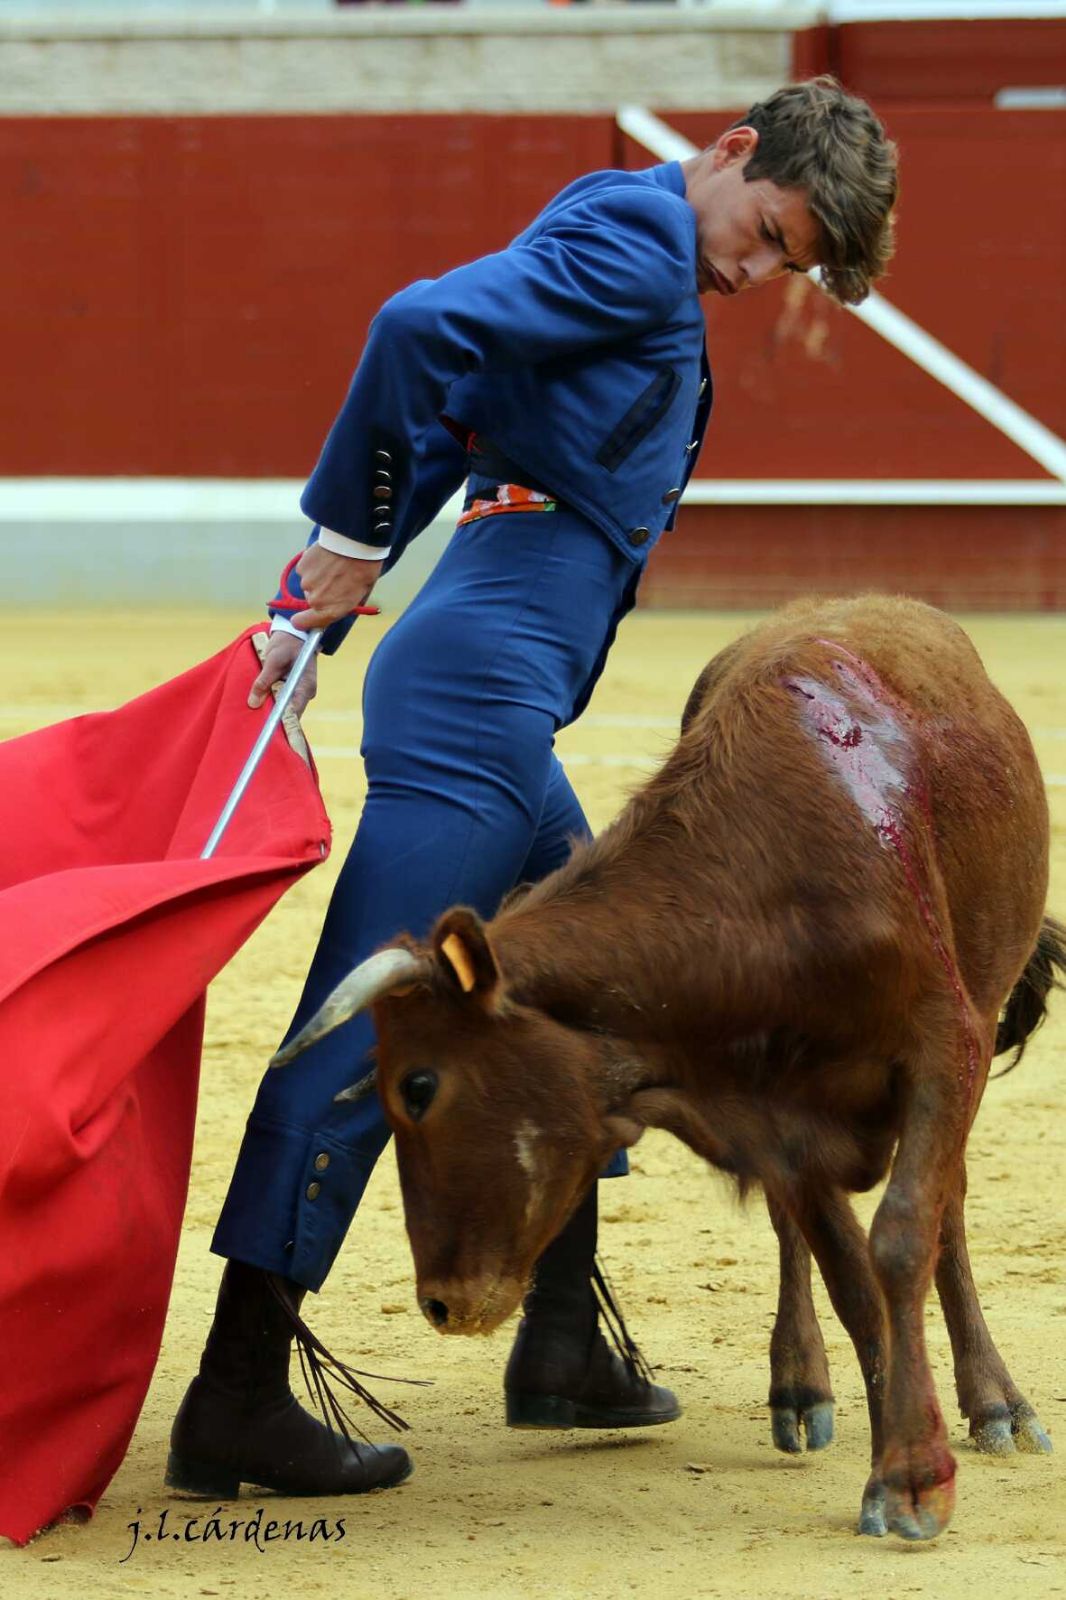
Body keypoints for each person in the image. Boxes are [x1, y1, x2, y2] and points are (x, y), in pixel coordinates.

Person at [167, 76, 898, 1499]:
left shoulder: (619, 226)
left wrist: (324, 587)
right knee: (372, 1015)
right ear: (732, 152)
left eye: (783, 266)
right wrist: (347, 537)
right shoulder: (639, 240)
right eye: (765, 235)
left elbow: (456, 396)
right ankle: (237, 1388)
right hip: (474, 696)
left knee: (577, 994)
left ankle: (562, 1342)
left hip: (487, 689)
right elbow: (412, 330)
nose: (754, 275)